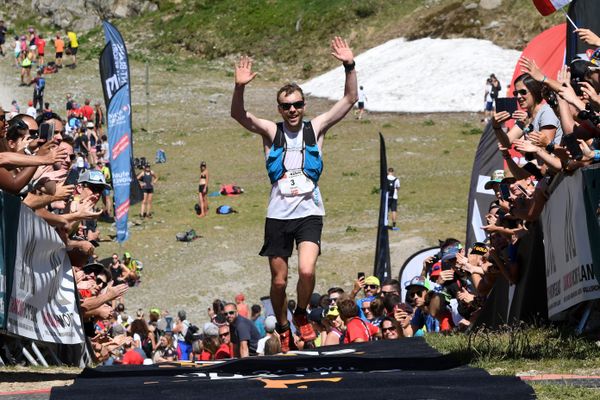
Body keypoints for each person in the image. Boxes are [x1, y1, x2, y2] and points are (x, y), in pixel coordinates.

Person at [230, 36, 358, 352]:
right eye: (286, 106)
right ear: (279, 108)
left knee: (306, 270)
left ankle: (300, 313)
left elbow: (350, 98)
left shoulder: (316, 128)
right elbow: (239, 115)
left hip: (310, 211)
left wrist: (349, 65)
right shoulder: (272, 132)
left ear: (304, 105)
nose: (292, 110)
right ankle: (284, 324)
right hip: (278, 214)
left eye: (297, 104)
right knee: (277, 281)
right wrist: (240, 87)